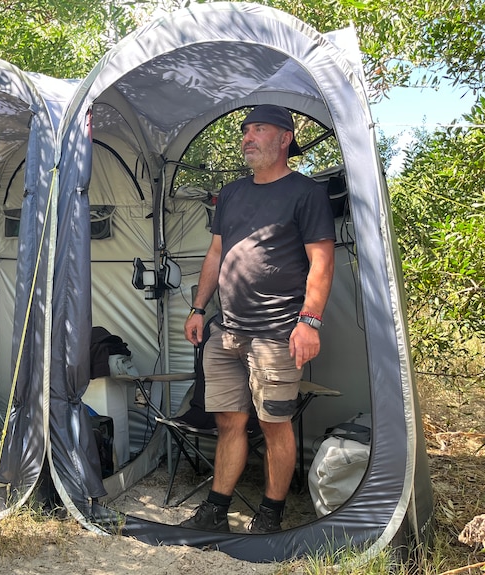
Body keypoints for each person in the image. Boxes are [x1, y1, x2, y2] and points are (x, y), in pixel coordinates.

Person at [179, 105, 335, 533]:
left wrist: (310, 322)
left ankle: (270, 514)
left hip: (277, 334)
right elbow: (216, 254)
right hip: (225, 330)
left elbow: (321, 263)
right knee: (229, 423)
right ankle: (216, 510)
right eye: (245, 130)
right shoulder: (231, 192)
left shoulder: (306, 193)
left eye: (259, 129)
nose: (248, 137)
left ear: (285, 138)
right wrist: (198, 308)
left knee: (273, 424)